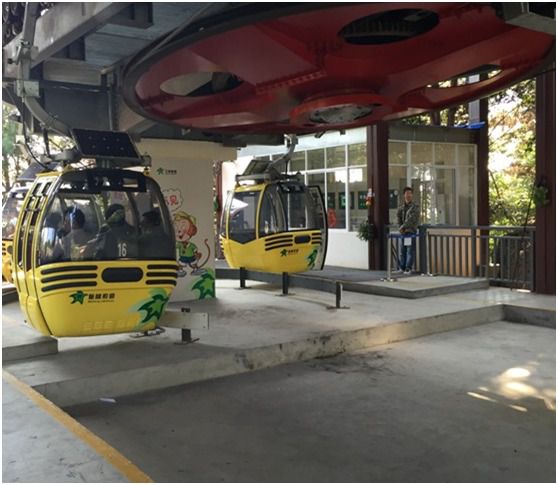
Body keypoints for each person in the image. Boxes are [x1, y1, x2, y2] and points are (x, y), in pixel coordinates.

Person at [395, 187, 419, 275]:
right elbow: (398, 218)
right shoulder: (401, 207)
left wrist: (403, 227)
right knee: (402, 251)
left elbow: (411, 219)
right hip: (403, 232)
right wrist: (400, 227)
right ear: (404, 195)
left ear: (412, 195)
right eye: (406, 193)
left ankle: (408, 268)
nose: (408, 195)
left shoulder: (415, 207)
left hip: (410, 232)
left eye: (410, 193)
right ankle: (402, 267)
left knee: (410, 251)